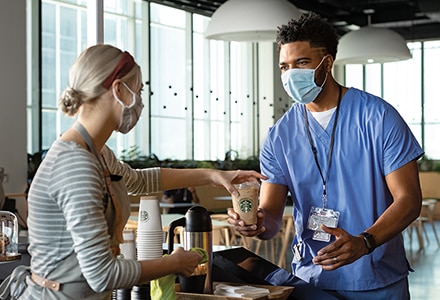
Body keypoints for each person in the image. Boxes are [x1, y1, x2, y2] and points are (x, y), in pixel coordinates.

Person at [10, 44, 265, 299]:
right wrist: (174, 263)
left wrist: (214, 176)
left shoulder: (97, 153)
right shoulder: (77, 164)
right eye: (140, 90)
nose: (141, 101)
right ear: (119, 89)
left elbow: (139, 181)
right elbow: (102, 275)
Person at [228, 13, 424, 300]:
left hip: (376, 278)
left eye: (302, 63)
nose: (290, 74)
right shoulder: (279, 135)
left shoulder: (378, 118)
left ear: (327, 63)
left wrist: (365, 242)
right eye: (284, 66)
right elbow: (270, 216)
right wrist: (256, 224)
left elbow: (409, 199)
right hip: (311, 279)